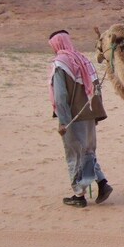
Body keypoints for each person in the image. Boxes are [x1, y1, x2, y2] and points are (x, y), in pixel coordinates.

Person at [49, 30, 113, 208]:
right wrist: (95, 114)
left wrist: (64, 122)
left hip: (73, 118)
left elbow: (60, 96)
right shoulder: (83, 60)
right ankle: (102, 183)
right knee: (88, 152)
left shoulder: (60, 64)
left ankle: (79, 195)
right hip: (89, 114)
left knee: (75, 154)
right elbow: (96, 88)